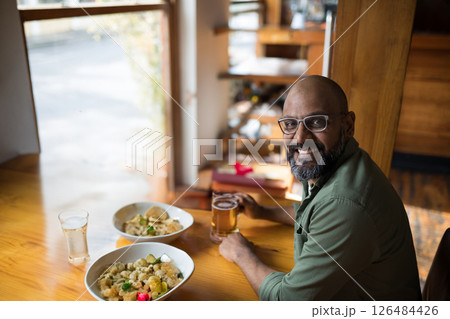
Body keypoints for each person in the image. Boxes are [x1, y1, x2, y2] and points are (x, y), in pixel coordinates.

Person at [219, 75, 422, 301]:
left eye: (316, 122)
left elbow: (288, 302)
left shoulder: (345, 204)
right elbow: (315, 216)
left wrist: (241, 253)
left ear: (347, 126)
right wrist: (263, 212)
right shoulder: (334, 164)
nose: (300, 138)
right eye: (290, 124)